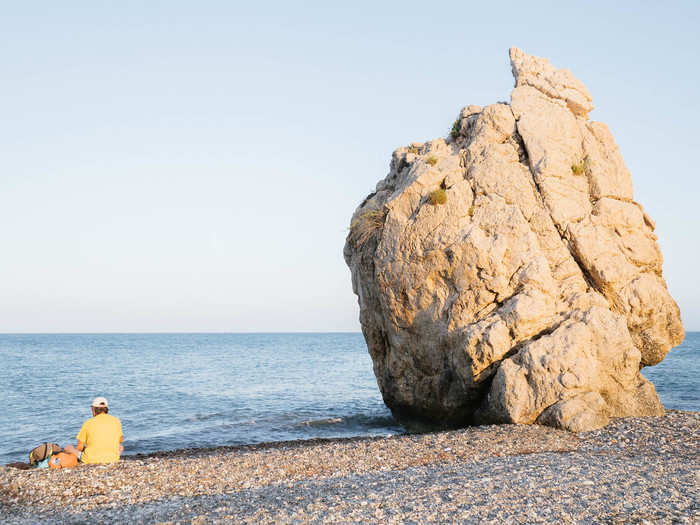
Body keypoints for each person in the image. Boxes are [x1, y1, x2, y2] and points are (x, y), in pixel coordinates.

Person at [64, 397, 124, 464]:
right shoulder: (116, 421)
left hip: (90, 459)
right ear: (106, 409)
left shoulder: (88, 423)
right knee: (120, 447)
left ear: (93, 409)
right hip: (113, 458)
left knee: (68, 448)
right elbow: (120, 440)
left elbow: (79, 447)